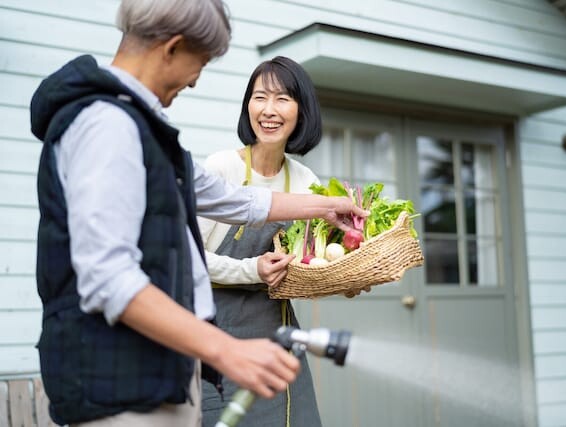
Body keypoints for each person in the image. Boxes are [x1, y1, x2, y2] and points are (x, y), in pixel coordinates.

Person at [28, 1, 367, 426]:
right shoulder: (107, 126)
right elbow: (108, 278)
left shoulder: (144, 129)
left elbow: (237, 200)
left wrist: (328, 205)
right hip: (117, 382)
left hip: (158, 372)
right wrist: (226, 349)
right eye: (200, 62)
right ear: (172, 47)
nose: (194, 81)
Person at [199, 56, 323, 427]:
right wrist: (253, 269)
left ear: (301, 111)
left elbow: (313, 265)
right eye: (260, 97)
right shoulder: (222, 169)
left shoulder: (306, 181)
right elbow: (190, 258)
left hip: (280, 346)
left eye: (283, 98)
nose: (269, 110)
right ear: (247, 106)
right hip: (217, 346)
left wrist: (344, 279)